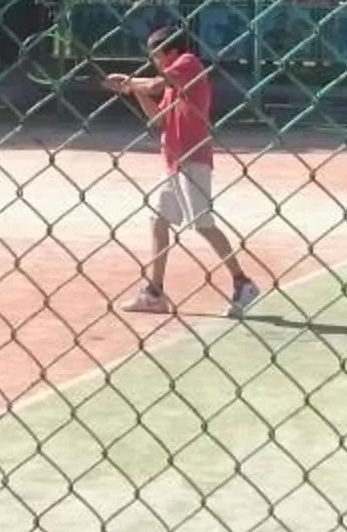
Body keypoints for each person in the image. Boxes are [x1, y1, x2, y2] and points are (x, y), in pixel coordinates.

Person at [106, 24, 261, 316]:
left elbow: (152, 85)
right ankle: (154, 294)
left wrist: (129, 81)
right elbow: (158, 118)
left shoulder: (187, 64)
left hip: (194, 159)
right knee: (158, 221)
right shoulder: (171, 82)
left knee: (203, 224)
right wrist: (131, 90)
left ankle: (243, 283)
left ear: (172, 52)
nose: (153, 60)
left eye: (155, 54)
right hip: (173, 162)